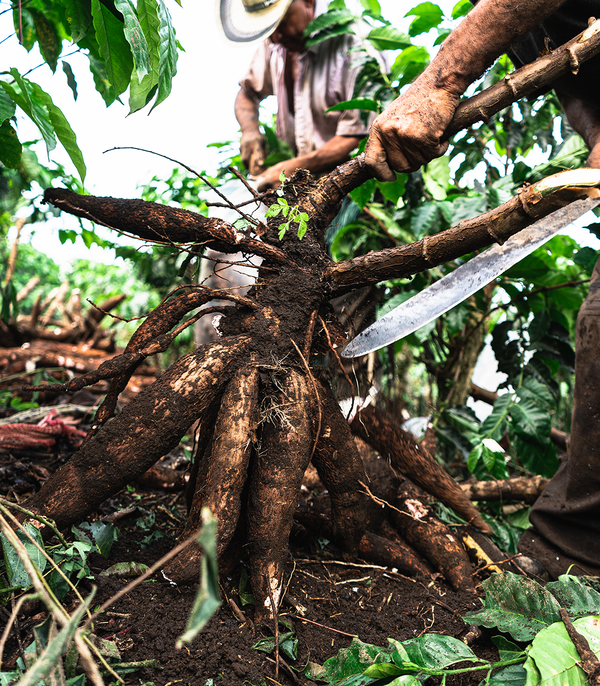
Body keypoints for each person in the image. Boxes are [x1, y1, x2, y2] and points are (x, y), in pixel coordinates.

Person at [364, 0, 600, 578]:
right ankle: (581, 546)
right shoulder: (536, 32)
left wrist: (441, 81)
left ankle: (577, 549)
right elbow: (586, 92)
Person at [220, 0, 380, 190]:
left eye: (283, 21)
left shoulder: (357, 43)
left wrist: (291, 169)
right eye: (270, 26)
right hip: (308, 190)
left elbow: (361, 136)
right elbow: (247, 93)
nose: (276, 36)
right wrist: (250, 130)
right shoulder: (276, 41)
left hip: (356, 191)